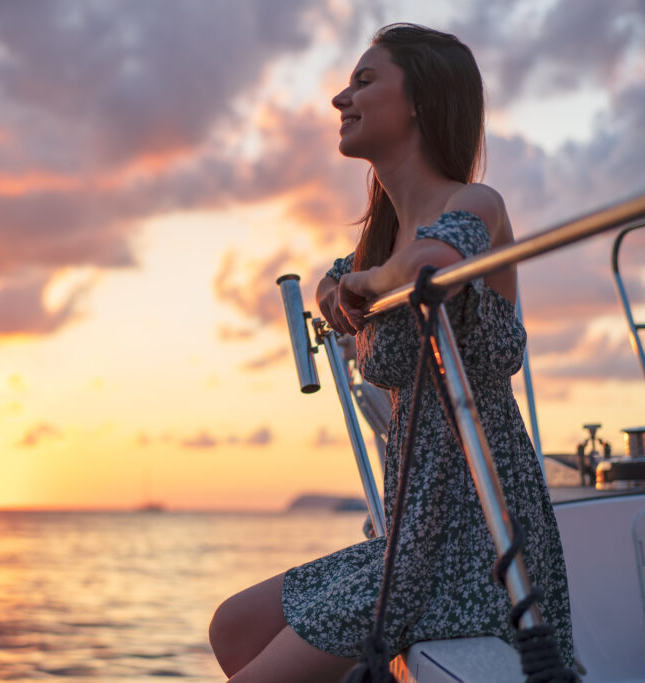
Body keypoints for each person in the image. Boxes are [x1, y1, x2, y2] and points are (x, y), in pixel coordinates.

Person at [208, 23, 577, 682]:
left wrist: (360, 283)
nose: (339, 99)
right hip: (412, 536)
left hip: (474, 543)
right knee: (231, 625)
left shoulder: (476, 205)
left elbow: (433, 261)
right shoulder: (378, 244)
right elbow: (347, 275)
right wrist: (337, 282)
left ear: (418, 101)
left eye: (364, 80)